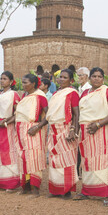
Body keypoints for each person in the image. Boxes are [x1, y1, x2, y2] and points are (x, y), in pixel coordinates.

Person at [74, 68, 108, 205]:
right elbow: (80, 112)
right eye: (94, 76)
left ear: (103, 78)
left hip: (101, 130)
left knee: (103, 159)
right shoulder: (85, 92)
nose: (96, 78)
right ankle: (87, 190)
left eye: (99, 76)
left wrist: (98, 124)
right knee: (87, 161)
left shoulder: (107, 91)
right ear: (89, 78)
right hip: (85, 131)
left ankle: (107, 193)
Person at [46, 69, 80, 199]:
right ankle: (55, 189)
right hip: (53, 129)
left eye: (64, 77)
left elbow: (76, 114)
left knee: (67, 160)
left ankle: (66, 190)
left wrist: (73, 130)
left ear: (71, 80)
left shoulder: (72, 93)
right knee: (54, 159)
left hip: (65, 129)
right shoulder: (55, 93)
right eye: (60, 77)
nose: (61, 79)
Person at [14, 74, 48, 198]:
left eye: (25, 82)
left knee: (33, 159)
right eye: (22, 82)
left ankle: (35, 190)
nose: (23, 85)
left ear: (33, 84)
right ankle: (26, 186)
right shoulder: (25, 96)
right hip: (21, 130)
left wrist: (37, 127)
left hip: (33, 130)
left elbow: (48, 115)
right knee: (23, 158)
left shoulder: (40, 96)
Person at [0, 71, 21, 192]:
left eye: (5, 79)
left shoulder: (14, 94)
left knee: (10, 152)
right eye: (1, 78)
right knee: (0, 153)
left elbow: (17, 113)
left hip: (8, 127)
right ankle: (3, 181)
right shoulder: (0, 95)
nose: (2, 81)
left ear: (11, 82)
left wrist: (6, 122)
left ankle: (12, 183)